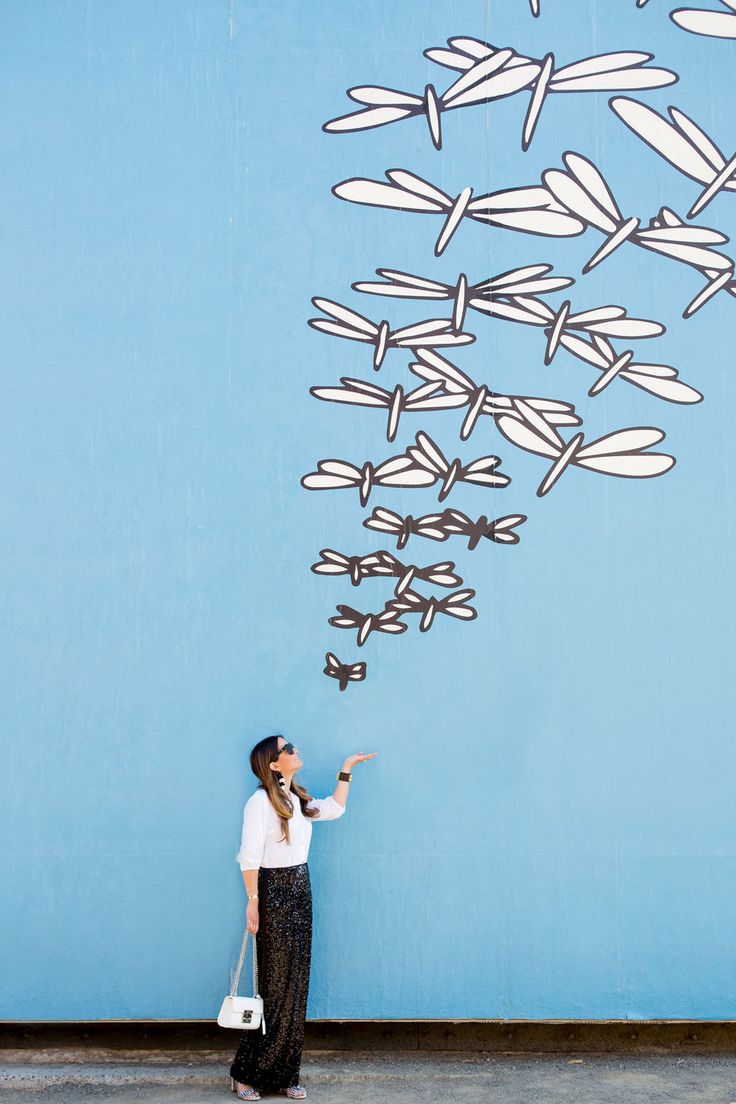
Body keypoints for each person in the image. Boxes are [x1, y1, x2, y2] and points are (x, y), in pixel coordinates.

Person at [229, 736, 376, 1101]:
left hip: (300, 890)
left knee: (296, 986)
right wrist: (253, 902)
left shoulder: (296, 799)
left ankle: (286, 1074)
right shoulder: (259, 802)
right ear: (274, 764)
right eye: (287, 749)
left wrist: (346, 770)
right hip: (273, 893)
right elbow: (248, 856)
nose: (295, 750)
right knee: (275, 988)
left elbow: (336, 809)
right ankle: (245, 1073)